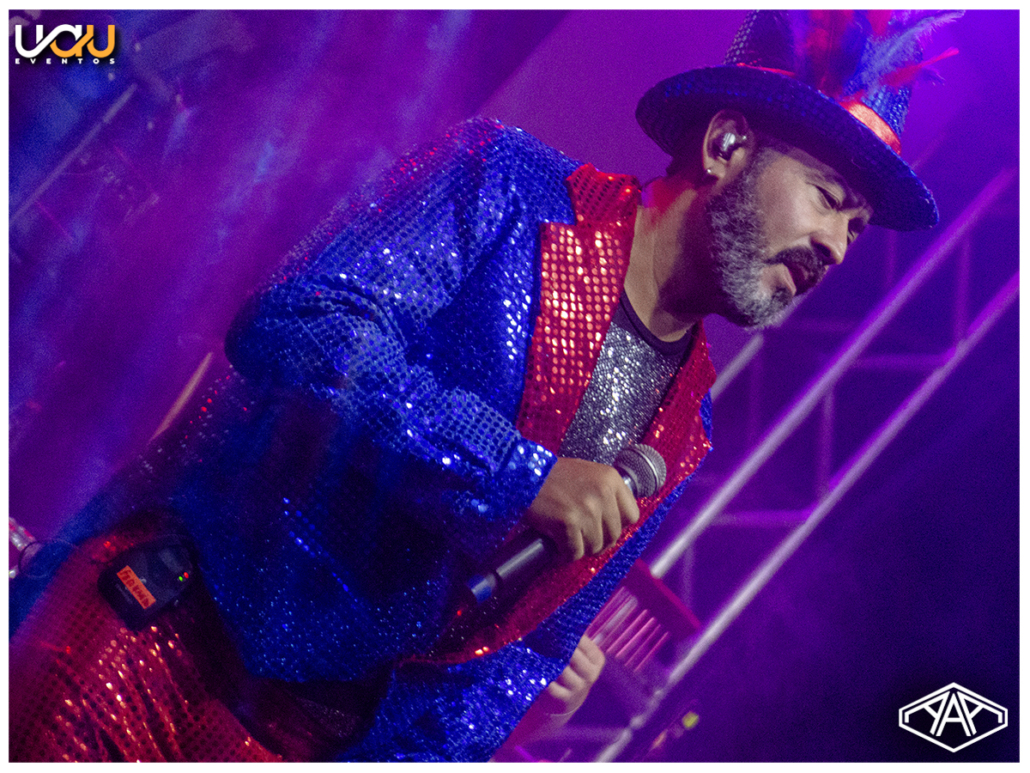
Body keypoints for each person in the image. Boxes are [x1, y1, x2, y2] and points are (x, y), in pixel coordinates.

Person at [9, 10, 953, 762]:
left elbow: (523, 655)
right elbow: (303, 325)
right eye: (830, 199)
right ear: (728, 143)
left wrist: (515, 707)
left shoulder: (685, 429)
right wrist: (516, 473)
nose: (837, 247)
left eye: (857, 228)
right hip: (153, 643)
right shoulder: (505, 183)